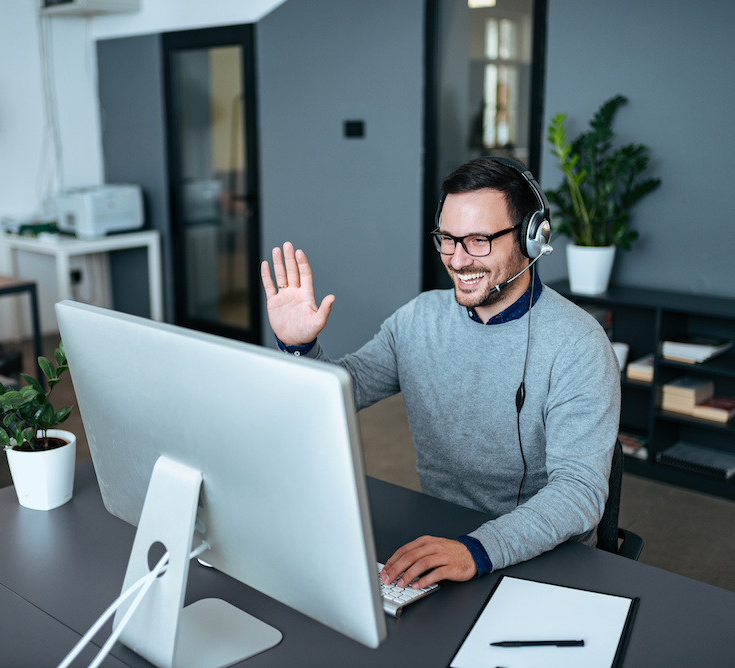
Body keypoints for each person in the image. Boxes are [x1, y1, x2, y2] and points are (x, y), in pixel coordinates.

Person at [260, 157, 620, 591]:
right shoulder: (418, 319)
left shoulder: (578, 343)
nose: (458, 259)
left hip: (544, 554)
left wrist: (476, 549)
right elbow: (341, 391)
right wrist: (299, 347)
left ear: (531, 238)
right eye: (447, 239)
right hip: (439, 534)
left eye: (479, 241)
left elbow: (579, 492)